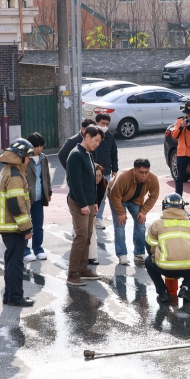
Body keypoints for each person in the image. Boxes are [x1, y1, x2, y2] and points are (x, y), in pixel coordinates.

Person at [0, 138, 35, 307]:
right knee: (16, 263)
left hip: (8, 226)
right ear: (20, 156)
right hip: (14, 227)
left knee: (11, 261)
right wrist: (27, 228)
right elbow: (16, 205)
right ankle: (16, 296)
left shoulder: (8, 171)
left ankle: (10, 295)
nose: (29, 160)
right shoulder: (15, 176)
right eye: (28, 157)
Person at [145, 193, 190, 303]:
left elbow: (150, 246)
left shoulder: (156, 224)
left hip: (165, 268)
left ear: (164, 207)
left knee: (148, 261)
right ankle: (185, 288)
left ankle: (162, 292)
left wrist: (156, 255)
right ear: (182, 207)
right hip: (188, 269)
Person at [65, 125, 104, 286]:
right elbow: (75, 183)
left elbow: (91, 181)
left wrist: (94, 202)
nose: (97, 144)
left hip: (88, 202)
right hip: (79, 202)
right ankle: (72, 273)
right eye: (95, 140)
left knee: (87, 236)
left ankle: (83, 269)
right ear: (87, 136)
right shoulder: (75, 155)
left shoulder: (88, 154)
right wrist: (83, 204)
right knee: (81, 237)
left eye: (99, 142)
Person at [109, 158, 160, 266]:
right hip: (118, 199)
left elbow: (154, 196)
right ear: (134, 170)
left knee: (140, 223)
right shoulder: (123, 177)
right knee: (120, 224)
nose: (144, 175)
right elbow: (115, 195)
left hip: (136, 200)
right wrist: (121, 212)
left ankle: (139, 253)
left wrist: (144, 211)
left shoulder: (153, 178)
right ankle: (122, 255)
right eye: (141, 172)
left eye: (146, 172)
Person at [23, 133, 52, 262]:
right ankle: (24, 250)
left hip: (40, 196)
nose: (39, 149)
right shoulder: (24, 159)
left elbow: (46, 176)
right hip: (27, 198)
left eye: (41, 146)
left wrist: (49, 192)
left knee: (38, 225)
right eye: (36, 146)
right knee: (25, 225)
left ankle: (38, 249)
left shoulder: (44, 158)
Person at [93, 114, 119, 228]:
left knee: (103, 195)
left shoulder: (110, 137)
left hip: (107, 172)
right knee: (92, 195)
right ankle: (91, 218)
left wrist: (115, 169)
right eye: (102, 123)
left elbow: (114, 154)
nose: (105, 126)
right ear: (97, 122)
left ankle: (98, 218)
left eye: (107, 124)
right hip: (93, 171)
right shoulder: (92, 136)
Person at [87, 164, 108, 266]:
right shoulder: (85, 183)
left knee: (92, 230)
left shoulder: (103, 183)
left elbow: (98, 201)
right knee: (81, 232)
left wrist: (94, 216)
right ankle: (82, 256)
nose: (98, 178)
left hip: (93, 208)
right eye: (96, 176)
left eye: (100, 175)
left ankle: (92, 257)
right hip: (80, 206)